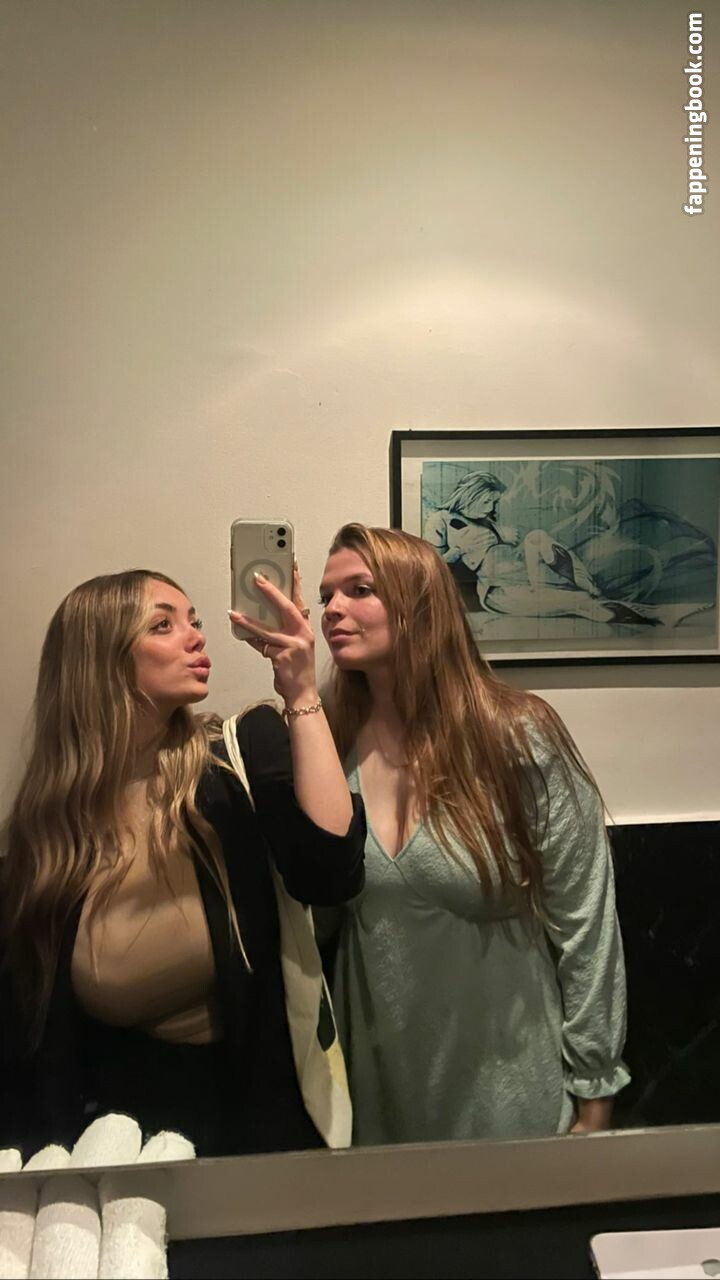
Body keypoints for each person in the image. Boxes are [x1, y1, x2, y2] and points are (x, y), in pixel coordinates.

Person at [0, 567, 364, 1159]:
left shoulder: (237, 760)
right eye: (163, 625)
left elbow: (331, 871)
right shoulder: (48, 831)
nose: (197, 636)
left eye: (193, 620)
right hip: (112, 1143)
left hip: (251, 1132)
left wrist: (300, 691)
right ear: (99, 659)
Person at [315, 522, 629, 1145]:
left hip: (511, 1101)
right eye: (325, 595)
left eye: (359, 590)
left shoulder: (517, 736)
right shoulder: (330, 743)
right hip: (376, 1105)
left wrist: (595, 1089)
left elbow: (585, 924)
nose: (331, 609)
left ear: (419, 604)